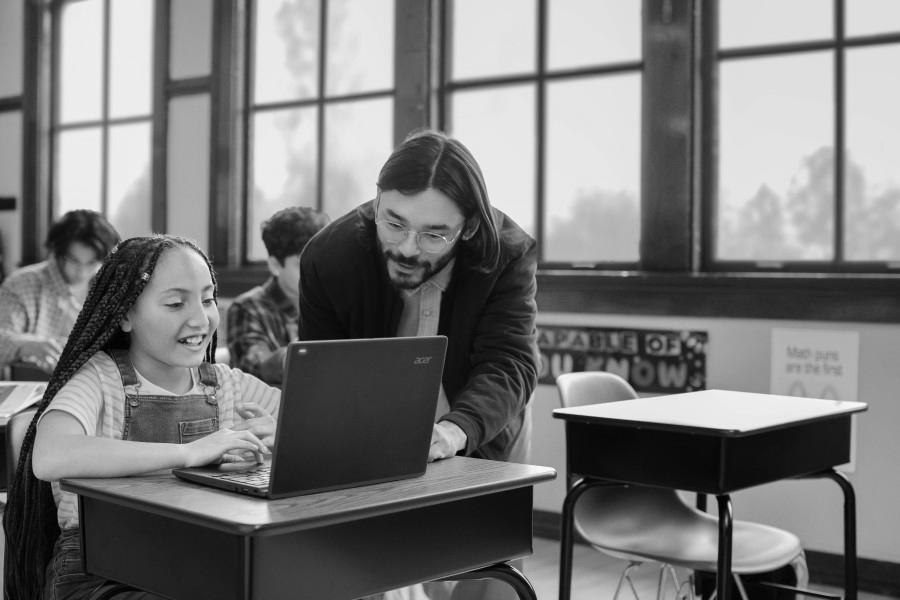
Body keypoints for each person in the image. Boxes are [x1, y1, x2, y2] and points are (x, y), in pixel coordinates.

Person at [298, 129, 538, 600]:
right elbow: (325, 374)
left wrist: (453, 431)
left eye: (433, 233)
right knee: (374, 565)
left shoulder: (506, 253)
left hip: (479, 420)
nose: (408, 247)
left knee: (486, 571)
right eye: (393, 222)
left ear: (467, 227)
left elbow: (509, 363)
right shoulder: (330, 258)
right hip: (376, 426)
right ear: (377, 200)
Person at [3, 235, 280, 600]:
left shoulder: (227, 384)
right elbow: (50, 455)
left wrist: (282, 435)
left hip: (195, 557)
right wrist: (189, 453)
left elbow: (326, 427)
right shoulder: (98, 378)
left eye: (208, 298)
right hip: (98, 570)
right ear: (125, 314)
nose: (200, 317)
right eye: (176, 303)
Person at [0, 209, 120, 375]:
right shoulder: (22, 284)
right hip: (39, 385)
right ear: (57, 252)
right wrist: (26, 345)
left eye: (92, 262)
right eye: (74, 260)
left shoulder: (110, 287)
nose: (82, 272)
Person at [226, 206, 329, 385]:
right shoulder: (248, 307)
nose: (316, 272)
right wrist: (308, 352)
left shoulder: (333, 302)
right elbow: (252, 368)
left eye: (321, 261)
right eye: (302, 264)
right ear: (275, 265)